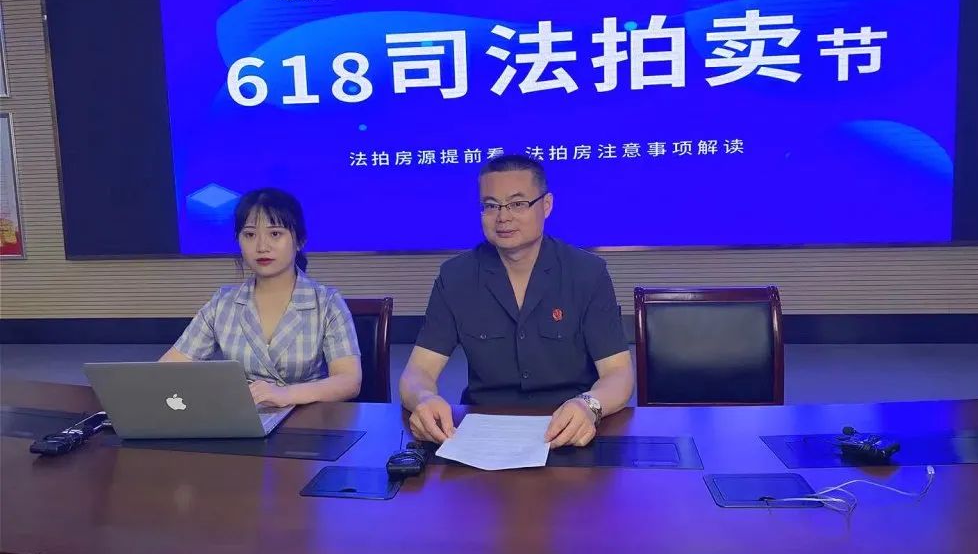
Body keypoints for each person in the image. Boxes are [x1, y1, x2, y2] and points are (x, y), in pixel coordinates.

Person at [400, 155, 634, 448]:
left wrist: (589, 405)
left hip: (570, 429)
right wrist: (424, 398)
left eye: (517, 204)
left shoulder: (587, 273)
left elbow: (618, 374)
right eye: (491, 205)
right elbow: (417, 372)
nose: (503, 217)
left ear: (546, 205)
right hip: (483, 433)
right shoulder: (456, 276)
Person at [161, 188, 362, 407]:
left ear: (300, 240)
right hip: (242, 418)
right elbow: (168, 369)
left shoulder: (327, 302)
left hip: (310, 418)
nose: (262, 247)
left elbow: (348, 381)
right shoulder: (223, 303)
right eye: (250, 235)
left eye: (275, 234)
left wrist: (286, 395)